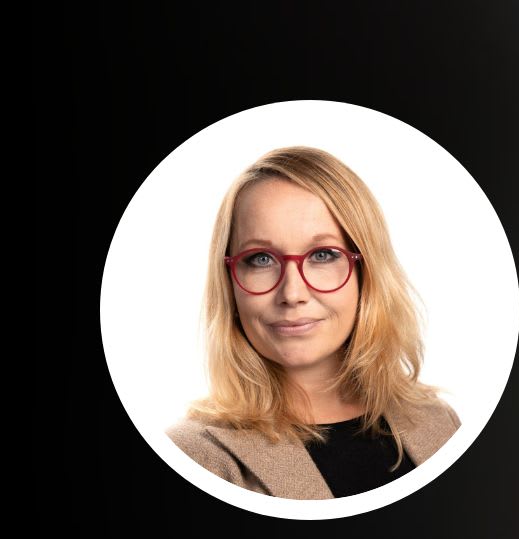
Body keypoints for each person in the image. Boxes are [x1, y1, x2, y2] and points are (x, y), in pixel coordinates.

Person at [168, 146, 458, 499]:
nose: (292, 293)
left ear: (367, 273)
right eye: (260, 259)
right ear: (229, 281)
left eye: (323, 255)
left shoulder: (438, 420)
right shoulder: (193, 457)